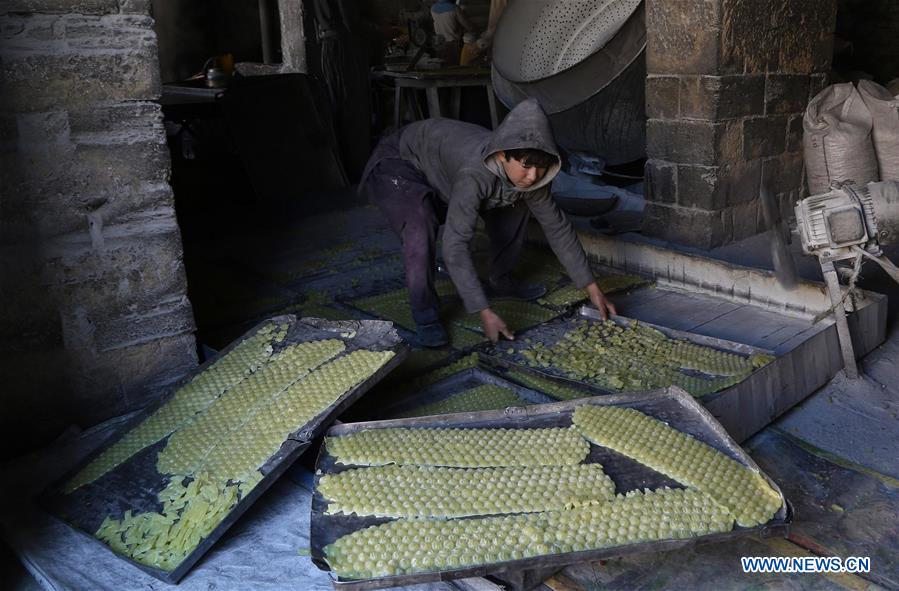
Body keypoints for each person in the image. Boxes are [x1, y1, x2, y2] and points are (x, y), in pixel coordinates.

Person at [359, 98, 617, 347]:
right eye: (526, 166)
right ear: (503, 155)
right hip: (401, 160)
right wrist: (483, 310)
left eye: (540, 168)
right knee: (419, 224)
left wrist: (591, 287)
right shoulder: (474, 176)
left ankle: (500, 278)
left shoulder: (532, 176)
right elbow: (455, 245)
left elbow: (557, 227)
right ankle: (425, 313)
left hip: (442, 165)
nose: (533, 176)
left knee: (518, 203)